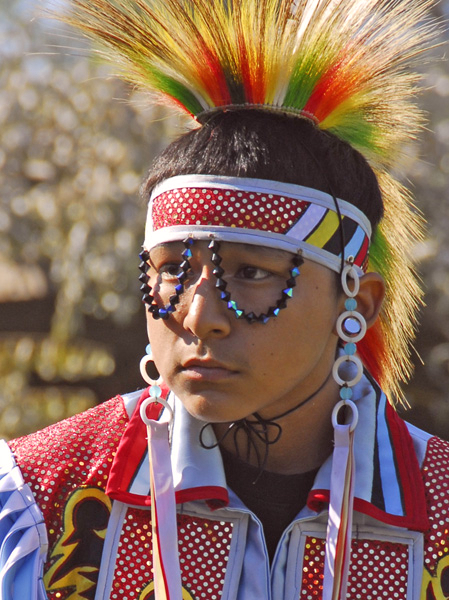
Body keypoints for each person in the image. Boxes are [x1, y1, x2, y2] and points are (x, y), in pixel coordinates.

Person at [0, 0, 446, 599]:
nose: (200, 316)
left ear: (358, 305)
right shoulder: (38, 499)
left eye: (253, 274)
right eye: (170, 272)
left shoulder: (438, 515)